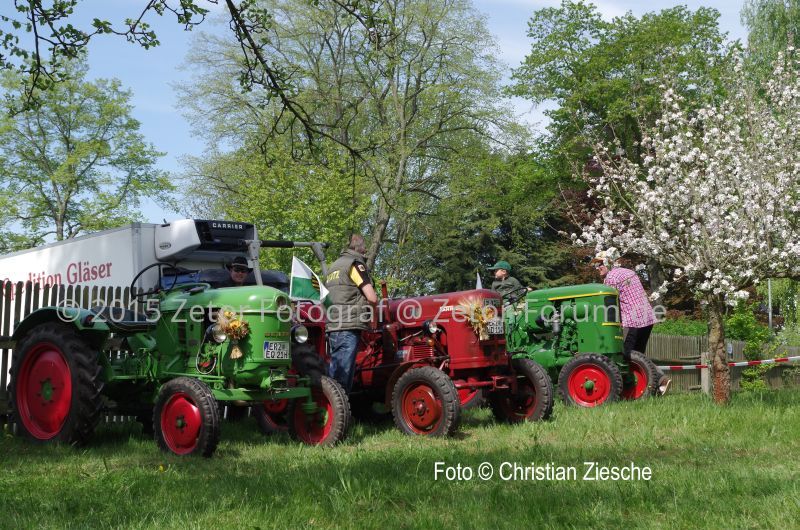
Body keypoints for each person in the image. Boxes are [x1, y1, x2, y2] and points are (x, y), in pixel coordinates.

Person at [592, 249, 671, 395]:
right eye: (595, 266)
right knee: (639, 357)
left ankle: (659, 381)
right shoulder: (628, 272)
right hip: (647, 318)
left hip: (632, 320)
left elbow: (611, 306)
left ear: (608, 262)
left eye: (600, 264)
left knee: (623, 355)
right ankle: (653, 389)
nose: (597, 268)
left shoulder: (611, 278)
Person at [324, 234, 378, 393]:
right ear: (358, 248)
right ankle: (340, 414)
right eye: (364, 247)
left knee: (335, 370)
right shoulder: (354, 265)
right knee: (343, 376)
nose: (366, 250)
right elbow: (372, 298)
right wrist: (374, 318)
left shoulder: (333, 267)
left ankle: (333, 412)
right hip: (348, 324)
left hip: (334, 324)